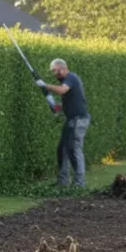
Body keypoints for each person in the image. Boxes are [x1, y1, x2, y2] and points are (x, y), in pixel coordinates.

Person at [35, 59, 90, 187]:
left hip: (79, 120)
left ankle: (79, 184)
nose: (55, 73)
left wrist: (45, 86)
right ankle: (62, 182)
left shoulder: (71, 77)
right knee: (62, 149)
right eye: (53, 71)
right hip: (71, 120)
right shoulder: (66, 81)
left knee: (74, 149)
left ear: (64, 68)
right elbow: (67, 104)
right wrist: (56, 107)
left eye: (57, 70)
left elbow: (62, 90)